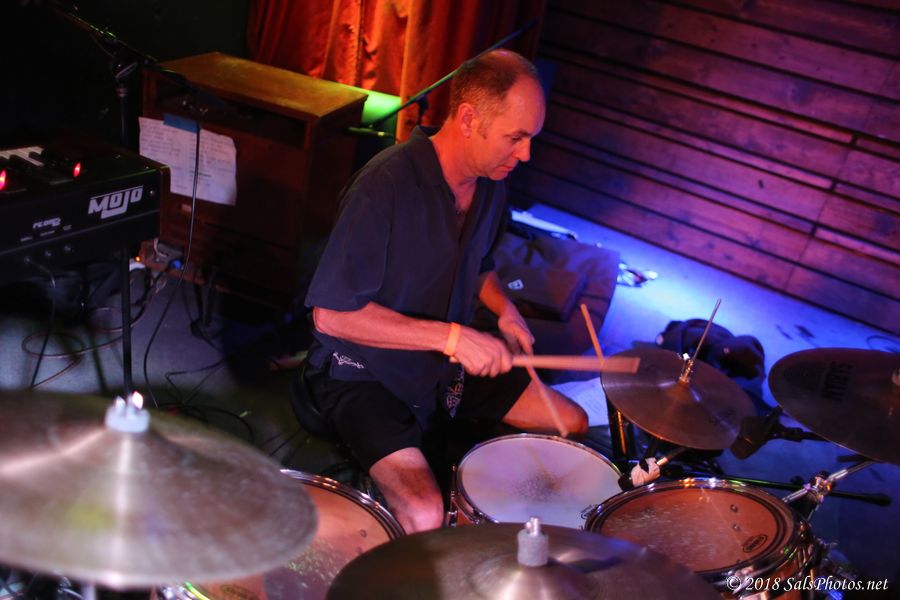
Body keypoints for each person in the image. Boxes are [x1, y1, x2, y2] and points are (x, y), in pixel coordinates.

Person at [298, 49, 588, 533]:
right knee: (425, 513)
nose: (525, 155)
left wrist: (505, 310)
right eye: (515, 138)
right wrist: (454, 337)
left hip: (442, 368)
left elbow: (479, 265)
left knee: (570, 422)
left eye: (530, 139)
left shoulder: (490, 182)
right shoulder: (385, 186)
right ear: (469, 119)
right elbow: (331, 315)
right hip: (363, 373)